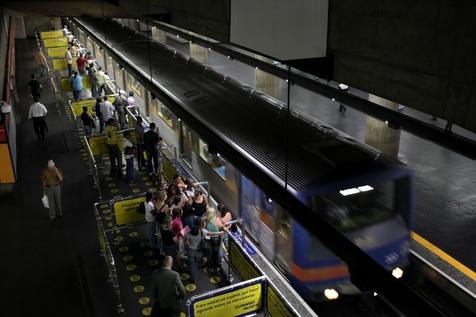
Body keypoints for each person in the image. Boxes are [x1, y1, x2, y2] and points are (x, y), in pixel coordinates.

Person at [204, 208, 224, 273]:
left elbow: (205, 229)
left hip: (209, 239)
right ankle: (217, 267)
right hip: (217, 239)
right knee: (217, 252)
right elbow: (222, 227)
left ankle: (210, 267)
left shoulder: (206, 220)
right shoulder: (218, 220)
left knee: (210, 253)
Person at [185, 220, 204, 284]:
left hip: (191, 251)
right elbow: (203, 239)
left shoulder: (188, 233)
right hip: (198, 251)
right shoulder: (201, 232)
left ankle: (194, 279)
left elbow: (186, 243)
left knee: (192, 266)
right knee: (196, 264)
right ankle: (196, 275)